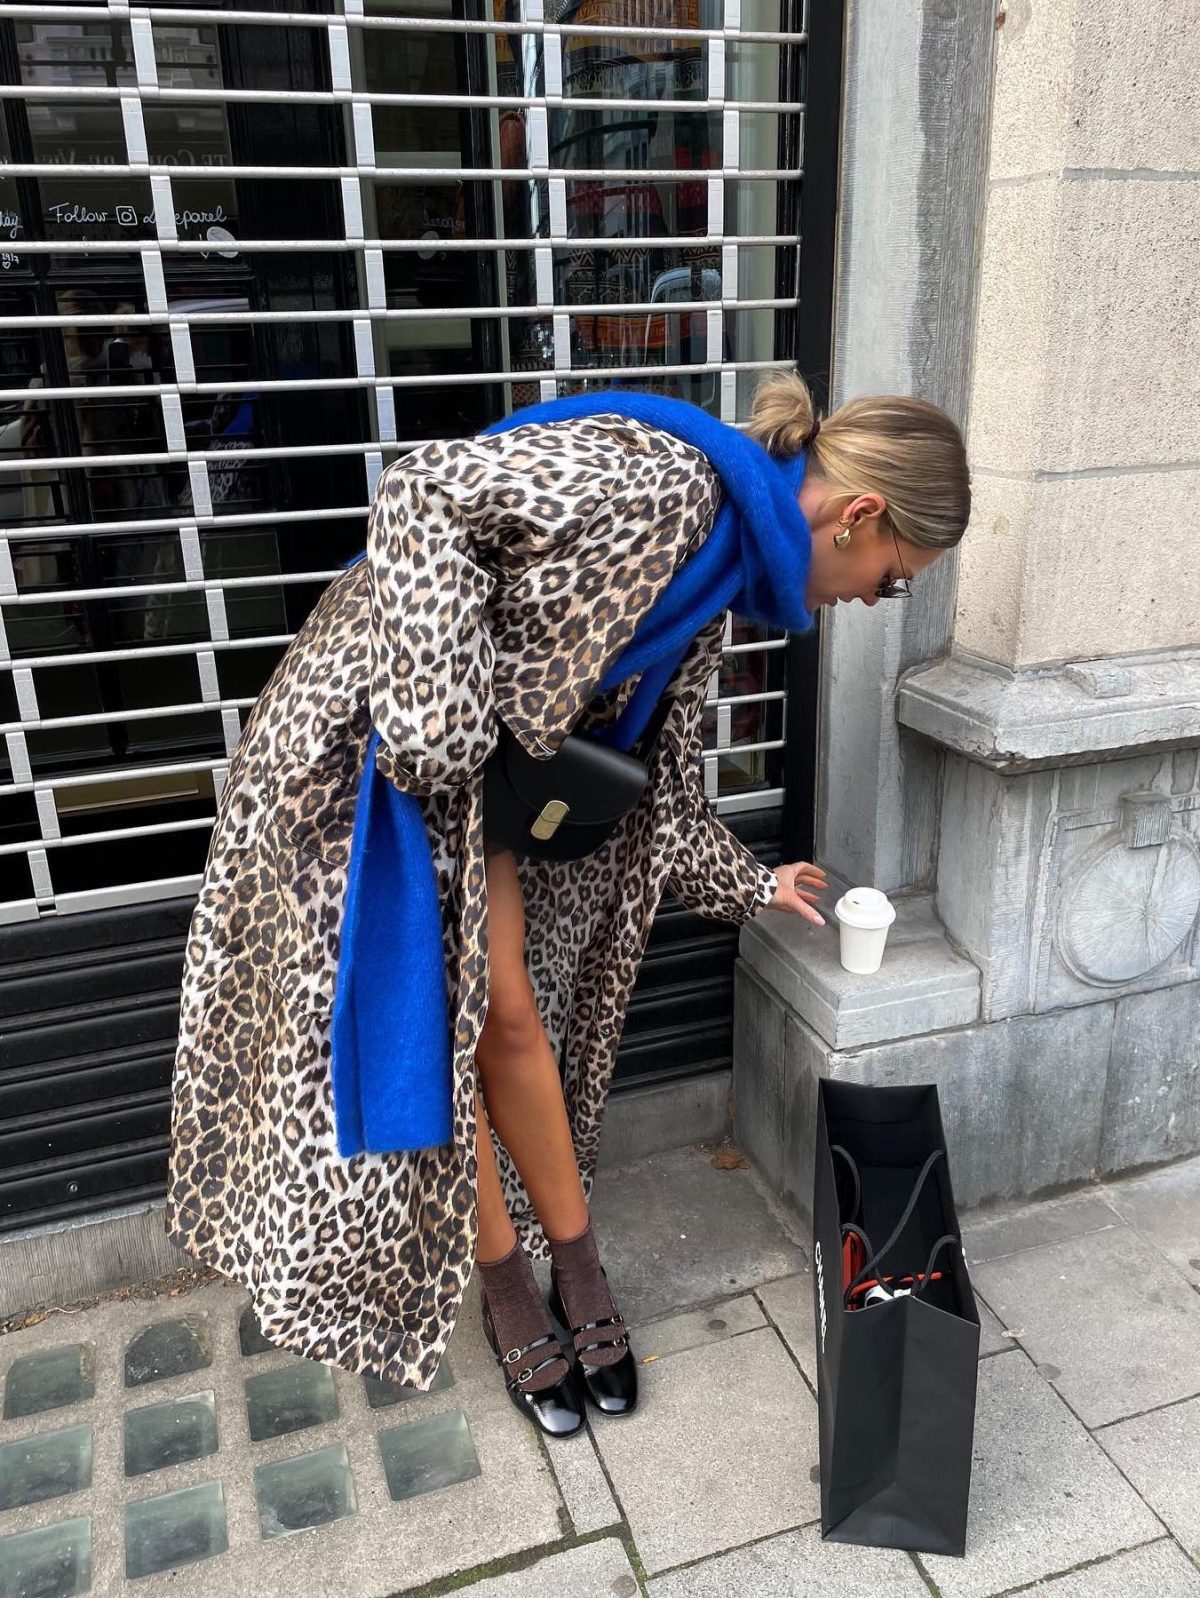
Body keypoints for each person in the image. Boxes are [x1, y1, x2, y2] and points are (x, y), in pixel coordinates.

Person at [165, 370, 970, 1443]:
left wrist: (750, 881)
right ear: (861, 513)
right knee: (461, 1023)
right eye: (893, 577)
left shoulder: (723, 573)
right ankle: (508, 1286)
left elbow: (658, 781)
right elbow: (427, 493)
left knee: (506, 1017)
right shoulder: (663, 488)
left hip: (461, 791)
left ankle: (578, 1269)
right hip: (366, 765)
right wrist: (439, 733)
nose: (873, 598)